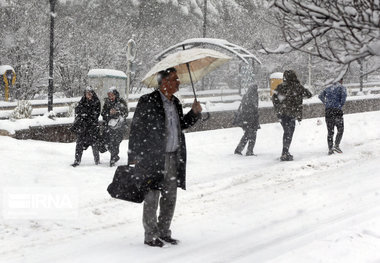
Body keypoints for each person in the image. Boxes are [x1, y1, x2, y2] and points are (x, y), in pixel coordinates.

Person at [128, 67, 202, 247]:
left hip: (173, 157)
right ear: (164, 82)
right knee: (152, 197)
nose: (178, 82)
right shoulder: (147, 101)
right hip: (152, 158)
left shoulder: (175, 102)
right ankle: (150, 235)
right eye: (175, 79)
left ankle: (164, 232)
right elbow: (136, 131)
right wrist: (134, 158)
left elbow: (181, 125)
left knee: (170, 196)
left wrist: (194, 113)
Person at [272, 70, 312, 161]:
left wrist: (279, 108)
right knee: (289, 132)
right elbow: (309, 94)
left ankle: (285, 152)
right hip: (292, 113)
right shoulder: (297, 87)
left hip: (282, 114)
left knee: (286, 132)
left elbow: (274, 98)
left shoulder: (280, 87)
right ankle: (285, 152)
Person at [71, 86, 101, 167]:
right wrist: (83, 115)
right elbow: (77, 111)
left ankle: (97, 161)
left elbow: (95, 114)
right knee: (79, 144)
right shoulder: (82, 101)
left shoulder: (96, 102)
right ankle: (77, 161)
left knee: (94, 145)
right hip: (83, 128)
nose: (89, 95)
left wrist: (85, 115)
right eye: (87, 93)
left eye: (90, 93)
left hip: (92, 127)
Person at [318, 78, 347, 155]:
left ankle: (330, 149)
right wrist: (339, 105)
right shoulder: (341, 87)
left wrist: (326, 103)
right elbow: (343, 99)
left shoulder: (328, 87)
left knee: (330, 131)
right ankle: (336, 145)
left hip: (328, 111)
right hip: (337, 111)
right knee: (340, 129)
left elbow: (320, 96)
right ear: (340, 80)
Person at [101, 87, 128, 166]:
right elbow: (103, 113)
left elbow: (125, 113)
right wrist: (109, 113)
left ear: (115, 95)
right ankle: (115, 156)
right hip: (108, 126)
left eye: (112, 95)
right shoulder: (107, 102)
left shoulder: (121, 102)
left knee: (115, 143)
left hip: (118, 127)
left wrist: (117, 112)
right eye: (109, 95)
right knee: (106, 143)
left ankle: (112, 159)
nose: (110, 97)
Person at [234, 84, 260, 156]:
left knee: (247, 135)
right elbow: (254, 108)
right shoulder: (253, 96)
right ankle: (249, 151)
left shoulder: (246, 95)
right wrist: (254, 118)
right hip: (251, 119)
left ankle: (239, 149)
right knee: (252, 135)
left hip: (245, 119)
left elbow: (245, 107)